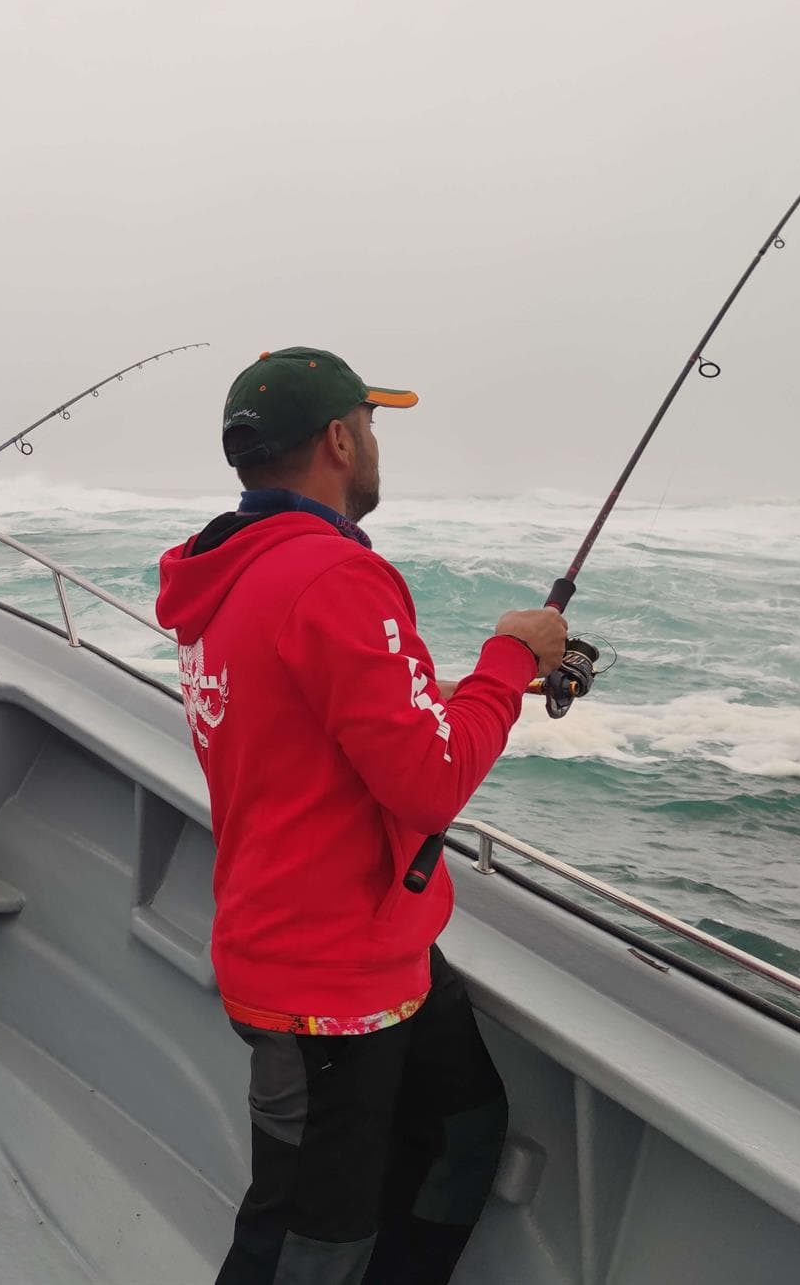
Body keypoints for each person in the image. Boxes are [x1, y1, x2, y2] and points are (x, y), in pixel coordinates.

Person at [155, 347, 568, 1284]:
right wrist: (510, 658)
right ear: (340, 440)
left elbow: (342, 722)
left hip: (374, 945)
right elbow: (428, 783)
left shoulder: (231, 571)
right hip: (324, 983)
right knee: (305, 1239)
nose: (377, 444)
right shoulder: (332, 578)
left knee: (463, 1128)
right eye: (372, 426)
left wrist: (465, 684)